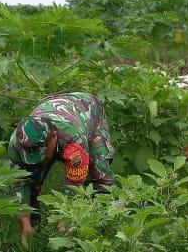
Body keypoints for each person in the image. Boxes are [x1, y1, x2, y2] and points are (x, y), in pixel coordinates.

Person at [7, 92, 116, 239]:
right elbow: (19, 182)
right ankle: (33, 231)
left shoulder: (73, 137)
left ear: (54, 137)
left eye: (43, 153)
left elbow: (76, 182)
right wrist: (24, 222)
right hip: (51, 105)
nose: (38, 160)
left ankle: (101, 227)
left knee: (100, 176)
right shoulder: (16, 144)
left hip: (87, 110)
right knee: (31, 180)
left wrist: (65, 217)